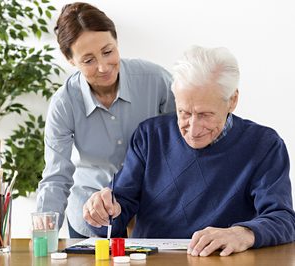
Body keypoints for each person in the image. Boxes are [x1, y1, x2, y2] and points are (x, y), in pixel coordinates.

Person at [83, 45, 295, 256]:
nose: (193, 130)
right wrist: (101, 213)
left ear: (232, 100)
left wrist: (243, 233)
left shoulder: (264, 145)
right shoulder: (150, 135)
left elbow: (283, 218)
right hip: (150, 260)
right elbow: (117, 211)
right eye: (183, 112)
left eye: (205, 115)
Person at [36, 2, 175, 238]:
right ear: (70, 59)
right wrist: (43, 232)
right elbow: (57, 174)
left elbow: (183, 144)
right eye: (88, 60)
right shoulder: (64, 103)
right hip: (90, 218)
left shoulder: (157, 81)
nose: (103, 67)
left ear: (116, 41)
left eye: (108, 51)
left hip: (152, 216)